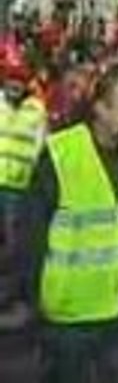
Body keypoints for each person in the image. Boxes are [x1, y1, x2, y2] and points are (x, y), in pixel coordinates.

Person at [26, 63, 118, 383]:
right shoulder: (62, 153)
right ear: (100, 108)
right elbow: (29, 239)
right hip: (68, 316)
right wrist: (36, 304)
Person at [0, 60, 48, 308]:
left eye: (19, 81)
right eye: (11, 80)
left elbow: (41, 146)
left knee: (12, 243)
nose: (14, 85)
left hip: (18, 186)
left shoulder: (36, 110)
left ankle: (7, 291)